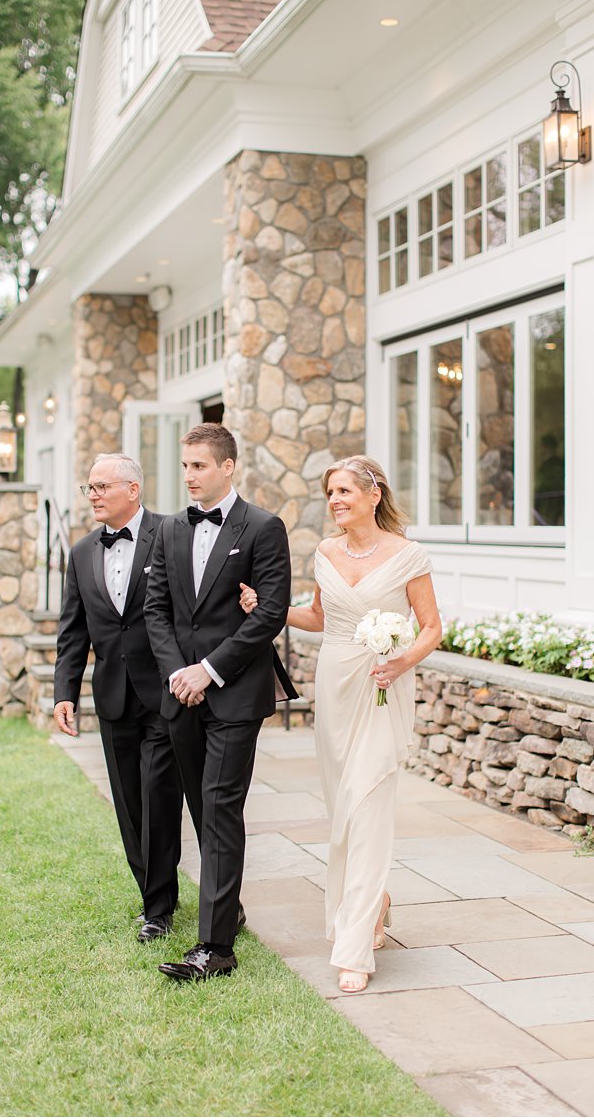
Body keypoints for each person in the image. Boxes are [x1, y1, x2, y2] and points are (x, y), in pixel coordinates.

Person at [239, 455, 440, 993]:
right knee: (341, 811)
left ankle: (353, 947)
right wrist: (269, 607)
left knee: (368, 801)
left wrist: (400, 662)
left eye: (346, 490)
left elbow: (431, 628)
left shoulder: (408, 555)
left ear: (374, 495)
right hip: (335, 685)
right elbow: (320, 617)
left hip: (381, 683)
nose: (335, 500)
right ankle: (375, 902)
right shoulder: (325, 550)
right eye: (330, 492)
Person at [142, 423, 296, 981]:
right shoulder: (168, 530)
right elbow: (154, 610)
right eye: (185, 466)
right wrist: (178, 674)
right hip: (180, 693)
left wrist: (208, 671)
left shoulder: (263, 528)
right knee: (200, 808)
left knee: (219, 805)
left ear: (227, 467)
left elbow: (270, 614)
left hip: (234, 696)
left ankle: (215, 949)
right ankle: (226, 909)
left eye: (199, 466)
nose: (189, 476)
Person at [53, 454, 183, 943]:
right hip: (111, 697)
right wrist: (65, 693)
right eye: (89, 487)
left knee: (159, 799)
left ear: (133, 489)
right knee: (129, 805)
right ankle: (153, 895)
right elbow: (73, 630)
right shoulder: (82, 552)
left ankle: (158, 908)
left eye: (102, 486)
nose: (93, 495)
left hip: (163, 692)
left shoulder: (170, 535)